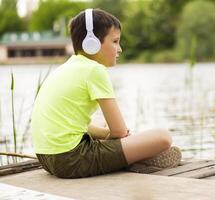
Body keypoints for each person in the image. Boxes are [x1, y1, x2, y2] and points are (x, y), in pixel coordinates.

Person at [31, 8, 181, 178]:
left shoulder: (68, 67)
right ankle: (136, 157)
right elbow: (120, 132)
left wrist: (106, 135)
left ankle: (129, 156)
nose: (120, 49)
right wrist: (122, 138)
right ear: (91, 43)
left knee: (101, 121)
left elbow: (76, 123)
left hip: (47, 158)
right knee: (163, 137)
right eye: (115, 41)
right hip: (71, 160)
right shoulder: (95, 71)